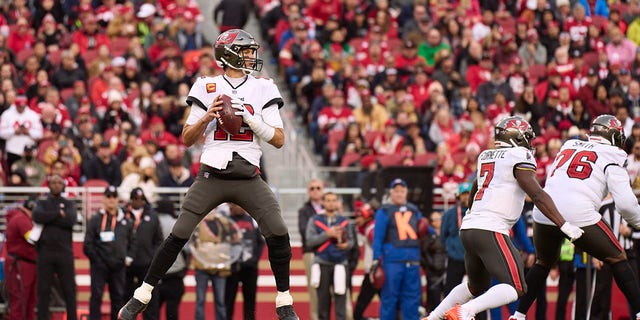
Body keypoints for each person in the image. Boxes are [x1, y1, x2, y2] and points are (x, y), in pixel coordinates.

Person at [118, 28, 300, 320]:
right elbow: (187, 138)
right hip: (212, 174)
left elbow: (278, 139)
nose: (252, 56)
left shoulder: (264, 86)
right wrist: (207, 115)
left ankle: (283, 300)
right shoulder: (206, 85)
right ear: (229, 55)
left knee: (278, 230)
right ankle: (142, 294)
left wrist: (249, 118)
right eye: (246, 50)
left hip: (248, 174)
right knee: (178, 232)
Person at [425, 116, 584, 320]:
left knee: (476, 286)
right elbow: (537, 194)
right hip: (491, 227)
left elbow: (473, 193)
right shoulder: (519, 155)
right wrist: (563, 223)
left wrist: (475, 218)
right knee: (517, 287)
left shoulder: (486, 156)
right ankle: (466, 311)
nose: (529, 143)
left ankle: (432, 317)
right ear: (516, 138)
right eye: (526, 138)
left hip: (469, 227)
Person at [511, 115, 640, 320]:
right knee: (618, 257)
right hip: (578, 212)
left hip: (545, 210)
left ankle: (518, 315)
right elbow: (625, 203)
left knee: (543, 262)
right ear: (614, 137)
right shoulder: (614, 153)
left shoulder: (570, 144)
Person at [372, 178, 424, 320]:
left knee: (412, 301)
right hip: (392, 262)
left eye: (402, 191)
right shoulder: (384, 211)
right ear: (391, 193)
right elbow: (378, 237)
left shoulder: (414, 210)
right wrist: (376, 259)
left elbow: (425, 230)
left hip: (412, 260)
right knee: (389, 299)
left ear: (406, 193)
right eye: (396, 191)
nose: (399, 194)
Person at [83, 186, 135, 320]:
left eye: (114, 197)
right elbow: (87, 244)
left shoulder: (126, 220)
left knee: (118, 297)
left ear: (118, 199)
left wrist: (128, 257)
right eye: (108, 197)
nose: (111, 200)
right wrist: (98, 260)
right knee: (96, 296)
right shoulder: (95, 219)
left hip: (118, 266)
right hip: (99, 266)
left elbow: (133, 241)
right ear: (103, 199)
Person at [33, 174, 78, 320]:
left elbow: (71, 220)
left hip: (65, 253)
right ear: (48, 185)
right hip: (45, 252)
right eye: (54, 182)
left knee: (69, 290)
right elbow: (37, 216)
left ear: (63, 185)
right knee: (43, 290)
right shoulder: (42, 203)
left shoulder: (69, 204)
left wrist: (50, 218)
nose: (57, 185)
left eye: (59, 182)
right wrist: (59, 214)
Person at [305, 192, 354, 320]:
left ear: (337, 202)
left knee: (341, 305)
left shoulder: (343, 221)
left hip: (341, 263)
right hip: (322, 263)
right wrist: (327, 234)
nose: (331, 203)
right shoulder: (315, 220)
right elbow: (309, 241)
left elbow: (352, 242)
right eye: (328, 200)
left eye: (333, 200)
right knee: (323, 304)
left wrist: (346, 245)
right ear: (323, 202)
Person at [124, 188, 163, 320]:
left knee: (149, 300)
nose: (138, 201)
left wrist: (153, 257)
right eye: (136, 199)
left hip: (146, 264)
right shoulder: (123, 214)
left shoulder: (152, 215)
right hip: (127, 264)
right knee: (127, 298)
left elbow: (159, 240)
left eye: (141, 199)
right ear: (131, 199)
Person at [225, 203, 265, 320]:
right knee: (228, 301)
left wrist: (255, 259)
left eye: (241, 204)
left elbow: (260, 242)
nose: (239, 207)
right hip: (231, 268)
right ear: (230, 206)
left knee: (250, 302)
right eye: (236, 205)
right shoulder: (225, 222)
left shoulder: (252, 221)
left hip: (250, 268)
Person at [5, 197, 38, 320]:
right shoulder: (21, 219)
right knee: (20, 301)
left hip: (26, 264)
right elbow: (32, 238)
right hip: (20, 264)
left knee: (28, 302)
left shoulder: (23, 218)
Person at [156, 200, 188, 320]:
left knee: (153, 313)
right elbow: (187, 250)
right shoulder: (177, 223)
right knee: (172, 313)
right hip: (175, 275)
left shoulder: (153, 223)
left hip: (155, 275)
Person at [297, 179, 324, 320]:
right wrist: (327, 235)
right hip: (312, 253)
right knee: (314, 291)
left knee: (335, 290)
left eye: (318, 188)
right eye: (312, 188)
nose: (315, 190)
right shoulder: (304, 211)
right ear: (308, 192)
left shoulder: (331, 207)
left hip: (331, 253)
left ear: (322, 190)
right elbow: (304, 232)